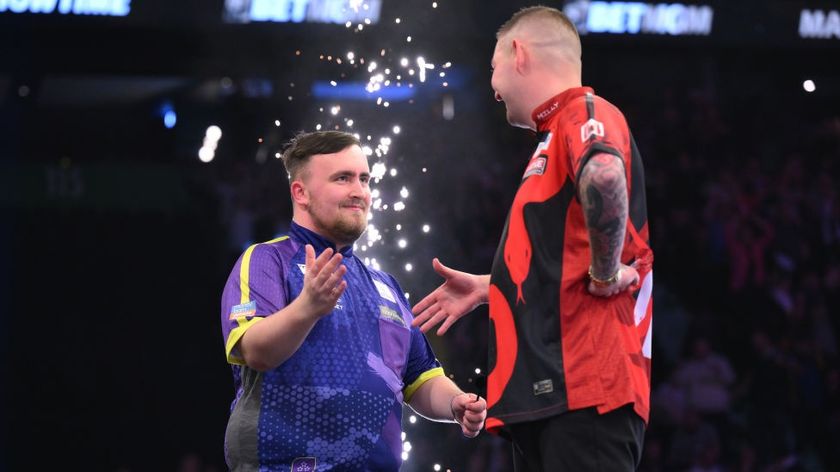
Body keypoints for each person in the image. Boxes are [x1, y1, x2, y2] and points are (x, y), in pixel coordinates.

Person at [412, 6, 653, 471]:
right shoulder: (554, 135)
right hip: (553, 396)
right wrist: (493, 287)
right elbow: (565, 253)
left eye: (493, 67)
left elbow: (603, 175)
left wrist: (605, 273)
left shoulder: (585, 112)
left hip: (584, 391)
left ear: (519, 53)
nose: (492, 85)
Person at [220, 130, 487, 471]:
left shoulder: (384, 285)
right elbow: (254, 350)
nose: (359, 191)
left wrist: (455, 403)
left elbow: (419, 378)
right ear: (300, 193)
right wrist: (307, 308)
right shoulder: (266, 261)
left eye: (365, 179)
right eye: (343, 178)